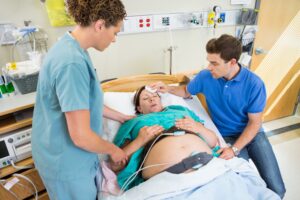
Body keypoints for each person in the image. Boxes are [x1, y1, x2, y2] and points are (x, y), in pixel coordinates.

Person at [149, 34, 286, 199]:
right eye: (208, 61)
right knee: (241, 185)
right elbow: (186, 91)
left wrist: (234, 149)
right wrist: (168, 88)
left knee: (277, 189)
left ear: (232, 62)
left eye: (214, 63)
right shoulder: (206, 76)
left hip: (253, 134)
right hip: (225, 135)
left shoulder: (254, 84)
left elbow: (254, 123)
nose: (209, 67)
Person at [31, 1, 131, 199]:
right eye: (115, 32)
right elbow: (81, 136)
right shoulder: (71, 63)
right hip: (65, 161)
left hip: (63, 154)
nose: (114, 40)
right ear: (100, 25)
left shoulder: (72, 47)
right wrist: (114, 150)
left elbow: (82, 101)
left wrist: (119, 116)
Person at [111, 86, 219, 190]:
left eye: (155, 96)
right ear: (139, 108)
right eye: (145, 98)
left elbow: (214, 142)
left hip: (207, 165)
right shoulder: (133, 122)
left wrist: (199, 128)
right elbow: (115, 165)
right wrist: (140, 141)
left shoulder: (181, 110)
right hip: (165, 179)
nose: (151, 99)